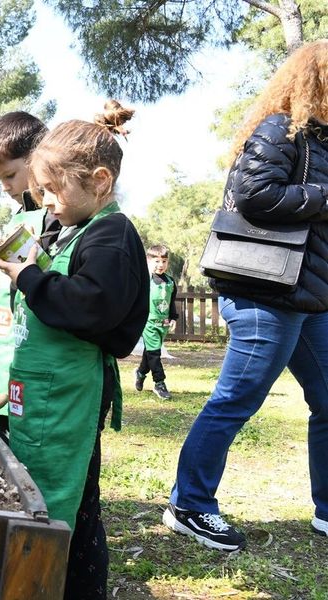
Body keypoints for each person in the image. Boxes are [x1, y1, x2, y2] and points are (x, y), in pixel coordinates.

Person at [0, 101, 148, 599]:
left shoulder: (111, 233)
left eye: (52, 190)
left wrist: (32, 279)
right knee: (46, 493)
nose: (44, 202)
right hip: (41, 394)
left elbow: (92, 308)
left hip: (69, 396)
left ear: (99, 181)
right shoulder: (73, 228)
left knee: (71, 506)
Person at [164, 40, 328, 552]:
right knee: (236, 399)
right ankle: (188, 504)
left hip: (310, 299)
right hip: (264, 293)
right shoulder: (282, 129)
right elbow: (255, 196)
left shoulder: (323, 141)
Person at [0, 112, 60, 432]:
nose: (6, 187)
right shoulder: (18, 216)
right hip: (2, 361)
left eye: (10, 175)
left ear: (38, 160)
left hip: (34, 367)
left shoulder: (57, 218)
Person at [134, 244, 178, 399]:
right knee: (155, 354)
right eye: (157, 261)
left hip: (163, 324)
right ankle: (159, 383)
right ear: (148, 260)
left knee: (150, 352)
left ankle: (140, 372)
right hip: (148, 323)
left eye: (164, 261)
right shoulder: (144, 281)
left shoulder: (170, 282)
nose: (161, 265)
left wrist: (173, 317)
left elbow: (171, 301)